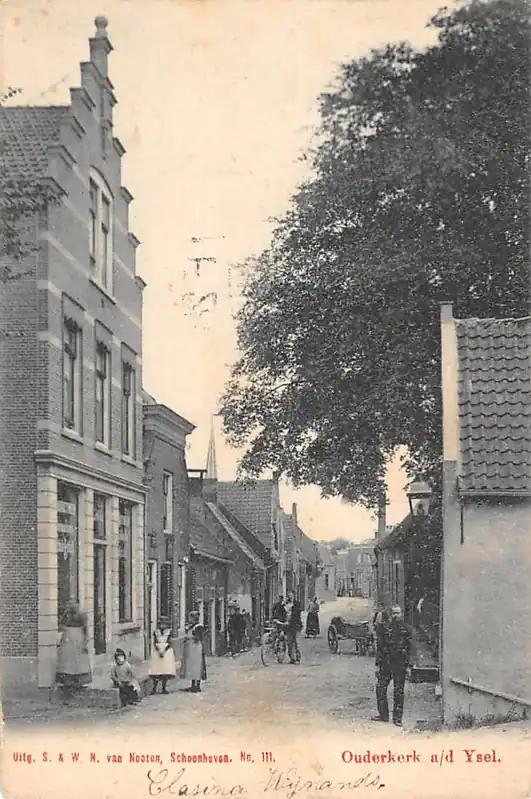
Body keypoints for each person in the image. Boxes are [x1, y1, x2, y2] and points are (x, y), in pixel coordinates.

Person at [372, 605, 413, 727]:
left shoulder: (407, 629)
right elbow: (380, 648)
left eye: (398, 613)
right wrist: (377, 665)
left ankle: (397, 718)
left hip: (400, 664)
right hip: (386, 664)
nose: (396, 615)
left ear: (401, 614)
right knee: (380, 689)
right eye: (394, 613)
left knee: (399, 691)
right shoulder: (385, 629)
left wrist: (409, 666)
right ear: (390, 615)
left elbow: (411, 649)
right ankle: (383, 715)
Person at [55, 600, 91, 694]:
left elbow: (85, 628)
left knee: (79, 661)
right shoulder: (67, 614)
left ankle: (78, 681)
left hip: (78, 638)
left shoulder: (82, 615)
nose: (72, 605)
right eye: (70, 603)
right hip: (67, 638)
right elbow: (61, 624)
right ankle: (67, 681)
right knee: (67, 660)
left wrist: (85, 640)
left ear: (78, 604)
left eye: (74, 603)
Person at [180, 610, 207, 692]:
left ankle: (197, 686)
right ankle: (192, 685)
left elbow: (199, 638)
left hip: (196, 648)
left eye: (190, 618)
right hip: (190, 648)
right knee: (191, 666)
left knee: (197, 666)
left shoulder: (199, 627)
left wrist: (189, 638)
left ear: (194, 618)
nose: (189, 620)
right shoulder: (190, 627)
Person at [149, 617, 176, 694]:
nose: (162, 625)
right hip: (157, 651)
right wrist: (158, 651)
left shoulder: (169, 632)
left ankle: (164, 688)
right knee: (156, 670)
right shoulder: (156, 632)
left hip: (166, 651)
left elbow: (170, 643)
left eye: (164, 624)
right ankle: (154, 688)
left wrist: (164, 651)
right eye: (161, 624)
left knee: (165, 669)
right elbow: (155, 642)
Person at [285, 591, 303, 664]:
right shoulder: (286, 604)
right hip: (289, 626)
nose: (289, 597)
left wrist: (291, 612)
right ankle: (292, 658)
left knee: (296, 643)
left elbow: (297, 613)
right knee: (289, 642)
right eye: (288, 595)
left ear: (293, 596)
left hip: (296, 626)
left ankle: (298, 658)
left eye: (291, 595)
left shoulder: (297, 604)